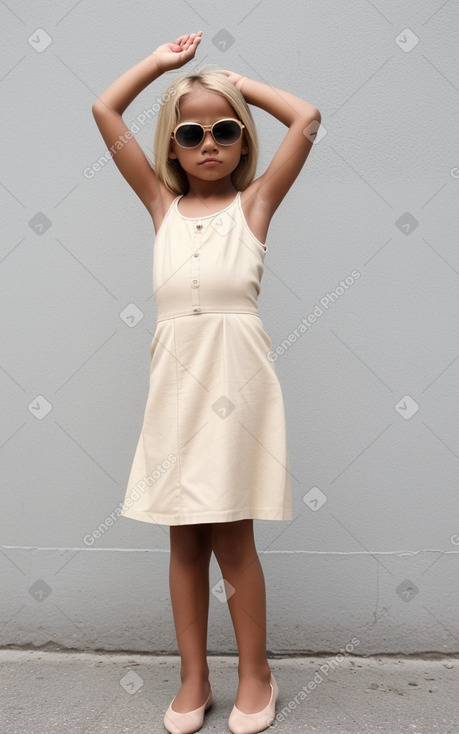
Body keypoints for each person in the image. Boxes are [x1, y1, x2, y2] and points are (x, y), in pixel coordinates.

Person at [92, 31, 320, 734]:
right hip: (175, 388)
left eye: (224, 130)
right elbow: (105, 110)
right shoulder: (160, 209)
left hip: (237, 381)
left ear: (243, 142)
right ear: (172, 147)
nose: (209, 143)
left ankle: (257, 672)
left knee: (232, 535)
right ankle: (195, 675)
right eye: (191, 132)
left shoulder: (252, 209)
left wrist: (235, 83)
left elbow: (306, 119)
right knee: (183, 538)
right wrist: (163, 66)